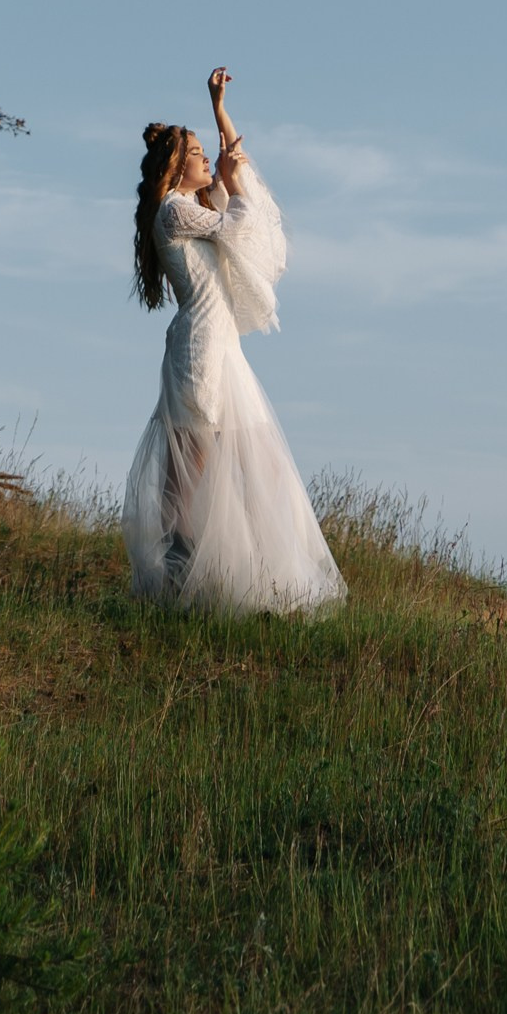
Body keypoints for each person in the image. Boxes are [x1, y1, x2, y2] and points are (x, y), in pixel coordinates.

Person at [123, 66, 346, 613]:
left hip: (222, 351)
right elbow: (239, 222)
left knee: (256, 467)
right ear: (177, 167)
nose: (204, 159)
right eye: (195, 152)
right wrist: (232, 176)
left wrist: (219, 110)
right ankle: (175, 583)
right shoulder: (175, 212)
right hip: (200, 354)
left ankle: (260, 580)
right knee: (190, 476)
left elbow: (230, 194)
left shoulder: (190, 208)